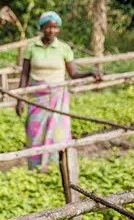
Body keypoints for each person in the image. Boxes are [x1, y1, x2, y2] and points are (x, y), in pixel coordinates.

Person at [16, 11, 101, 171]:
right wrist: (20, 99)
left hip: (58, 97)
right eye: (48, 27)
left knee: (58, 133)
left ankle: (56, 166)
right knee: (35, 132)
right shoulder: (31, 48)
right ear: (42, 28)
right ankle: (35, 168)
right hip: (36, 98)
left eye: (55, 27)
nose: (51, 31)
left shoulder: (64, 48)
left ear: (59, 29)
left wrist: (90, 73)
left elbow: (73, 74)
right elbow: (25, 75)